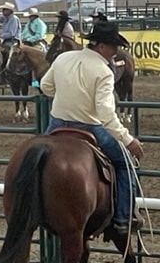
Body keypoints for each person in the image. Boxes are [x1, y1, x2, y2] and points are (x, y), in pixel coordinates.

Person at [41, 21, 144, 233]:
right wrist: (128, 140)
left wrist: (66, 96)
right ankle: (123, 219)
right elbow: (106, 114)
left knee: (39, 161)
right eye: (114, 47)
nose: (116, 52)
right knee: (125, 164)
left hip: (57, 124)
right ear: (102, 47)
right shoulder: (104, 72)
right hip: (89, 127)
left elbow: (45, 86)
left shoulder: (62, 58)